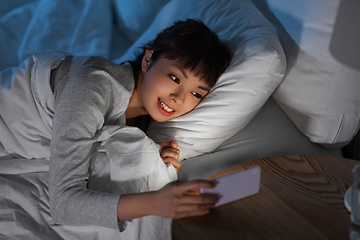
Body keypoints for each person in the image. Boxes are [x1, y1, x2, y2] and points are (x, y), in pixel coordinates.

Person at [1, 19, 232, 230]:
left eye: (196, 93)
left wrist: (155, 156)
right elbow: (63, 204)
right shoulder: (91, 86)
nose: (179, 98)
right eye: (174, 78)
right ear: (149, 58)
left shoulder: (143, 121)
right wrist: (155, 203)